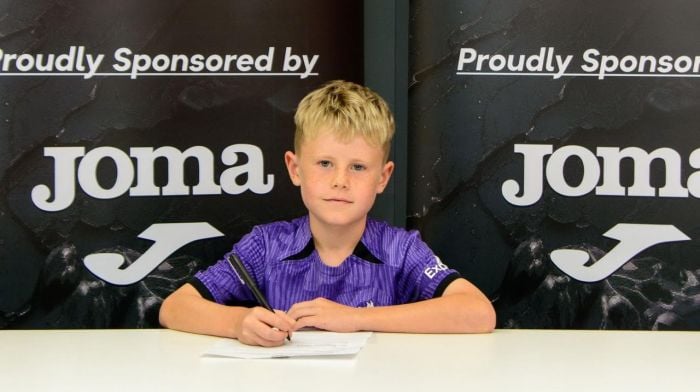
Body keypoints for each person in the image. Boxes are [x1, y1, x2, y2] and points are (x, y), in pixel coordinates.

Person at [159, 80, 496, 346]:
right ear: (295, 168)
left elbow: (478, 313)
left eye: (359, 167)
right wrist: (237, 323)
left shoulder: (400, 249)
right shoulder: (266, 246)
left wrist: (356, 318)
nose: (340, 181)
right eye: (324, 163)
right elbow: (175, 307)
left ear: (383, 177)